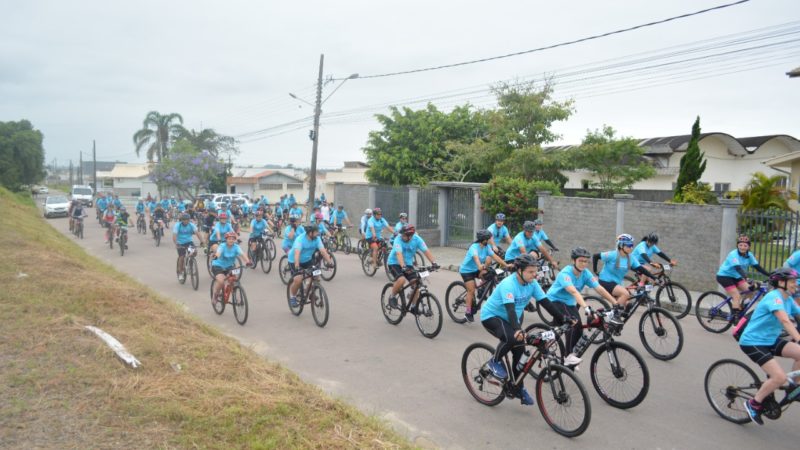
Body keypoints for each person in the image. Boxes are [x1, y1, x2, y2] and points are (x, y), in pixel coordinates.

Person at [480, 254, 565, 406]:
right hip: (492, 316)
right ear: (519, 270)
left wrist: (563, 318)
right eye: (531, 272)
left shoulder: (532, 283)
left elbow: (546, 302)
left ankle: (518, 388)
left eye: (536, 271)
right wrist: (518, 330)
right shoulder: (508, 284)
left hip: (513, 318)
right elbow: (510, 310)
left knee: (520, 357)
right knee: (512, 338)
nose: (535, 274)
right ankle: (494, 361)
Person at [740, 268, 800, 425]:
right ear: (781, 283)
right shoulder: (774, 298)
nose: (796, 284)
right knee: (779, 377)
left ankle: (795, 386)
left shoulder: (788, 299)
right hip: (753, 342)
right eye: (793, 281)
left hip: (771, 339)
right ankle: (753, 403)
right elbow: (785, 321)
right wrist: (798, 338)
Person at [548, 247, 620, 367]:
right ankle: (567, 357)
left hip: (569, 302)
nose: (583, 264)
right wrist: (586, 307)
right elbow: (574, 292)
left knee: (579, 329)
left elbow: (599, 288)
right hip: (555, 300)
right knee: (571, 324)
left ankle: (569, 351)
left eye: (586, 261)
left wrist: (615, 302)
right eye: (581, 261)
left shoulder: (586, 273)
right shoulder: (565, 273)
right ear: (573, 260)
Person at [592, 234, 657, 311]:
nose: (631, 248)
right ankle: (615, 315)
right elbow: (595, 256)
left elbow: (641, 269)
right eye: (628, 245)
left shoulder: (631, 257)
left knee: (628, 304)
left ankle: (618, 315)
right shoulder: (613, 254)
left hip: (616, 283)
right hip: (605, 281)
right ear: (621, 245)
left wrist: (654, 278)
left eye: (632, 245)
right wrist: (595, 271)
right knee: (625, 294)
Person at [459, 229, 509, 322]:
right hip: (466, 271)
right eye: (489, 239)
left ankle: (482, 290)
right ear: (484, 240)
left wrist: (506, 265)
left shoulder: (487, 247)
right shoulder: (474, 247)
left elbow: (495, 257)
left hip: (477, 270)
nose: (491, 240)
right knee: (471, 290)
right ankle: (468, 312)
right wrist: (479, 266)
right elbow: (476, 258)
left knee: (489, 275)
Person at [386, 224, 438, 311]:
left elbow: (426, 251)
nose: (402, 236)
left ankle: (414, 307)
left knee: (416, 284)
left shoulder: (417, 239)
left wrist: (434, 263)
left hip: (408, 264)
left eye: (404, 235)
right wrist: (403, 266)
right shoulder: (398, 239)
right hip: (394, 262)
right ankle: (392, 297)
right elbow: (399, 254)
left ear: (410, 236)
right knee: (401, 280)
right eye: (402, 234)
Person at [716, 234, 770, 312]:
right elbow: (738, 268)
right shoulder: (733, 254)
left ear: (748, 247)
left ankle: (741, 308)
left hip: (737, 277)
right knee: (736, 296)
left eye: (745, 245)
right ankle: (735, 317)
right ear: (737, 245)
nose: (742, 247)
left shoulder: (749, 255)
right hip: (724, 276)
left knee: (750, 291)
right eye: (740, 245)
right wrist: (746, 277)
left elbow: (757, 267)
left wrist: (769, 274)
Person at [288, 224, 334, 307]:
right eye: (316, 232)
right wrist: (297, 266)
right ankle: (293, 297)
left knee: (316, 275)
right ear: (310, 233)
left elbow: (323, 251)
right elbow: (297, 254)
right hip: (295, 260)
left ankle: (307, 291)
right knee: (298, 279)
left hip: (307, 260)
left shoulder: (317, 239)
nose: (318, 233)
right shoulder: (300, 240)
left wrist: (330, 263)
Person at [211, 232, 251, 300]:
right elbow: (219, 252)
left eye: (233, 239)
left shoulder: (236, 247)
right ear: (226, 239)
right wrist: (216, 256)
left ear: (235, 240)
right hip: (218, 265)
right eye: (229, 239)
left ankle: (231, 291)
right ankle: (216, 295)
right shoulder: (222, 246)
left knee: (233, 280)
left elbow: (242, 254)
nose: (231, 240)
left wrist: (248, 261)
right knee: (221, 281)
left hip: (229, 266)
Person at [173, 212, 203, 280]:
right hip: (180, 243)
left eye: (187, 219)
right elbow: (174, 235)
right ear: (181, 220)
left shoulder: (191, 225)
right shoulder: (177, 225)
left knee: (194, 252)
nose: (185, 221)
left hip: (189, 242)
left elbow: (197, 233)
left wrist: (202, 241)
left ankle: (190, 264)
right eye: (184, 219)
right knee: (181, 257)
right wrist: (176, 243)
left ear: (189, 220)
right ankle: (180, 273)